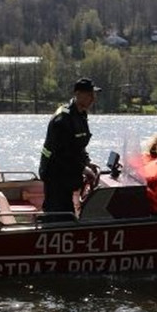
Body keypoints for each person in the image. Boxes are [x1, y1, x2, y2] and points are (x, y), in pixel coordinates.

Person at [38, 77, 101, 222]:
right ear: (77, 94)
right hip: (55, 175)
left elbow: (78, 146)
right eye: (89, 94)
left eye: (94, 94)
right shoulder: (63, 119)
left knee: (67, 213)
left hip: (68, 175)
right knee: (60, 217)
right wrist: (82, 168)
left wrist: (87, 162)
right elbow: (62, 153)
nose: (93, 98)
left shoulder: (81, 115)